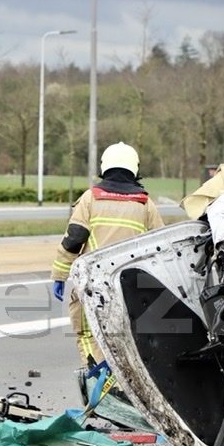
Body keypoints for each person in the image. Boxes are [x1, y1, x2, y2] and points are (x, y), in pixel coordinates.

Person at [51, 142, 164, 367]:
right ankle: (124, 385)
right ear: (135, 168)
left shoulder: (91, 199)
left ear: (105, 166)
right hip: (131, 289)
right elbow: (160, 247)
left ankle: (99, 382)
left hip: (92, 287)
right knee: (127, 342)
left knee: (88, 335)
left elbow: (74, 239)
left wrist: (59, 274)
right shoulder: (145, 204)